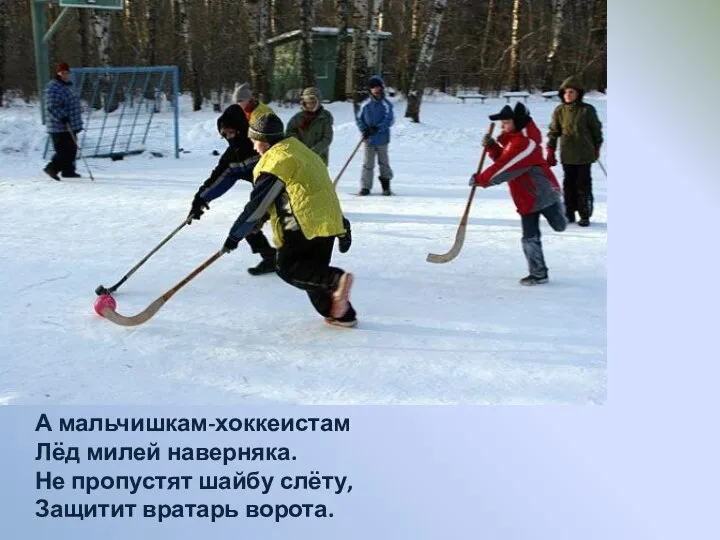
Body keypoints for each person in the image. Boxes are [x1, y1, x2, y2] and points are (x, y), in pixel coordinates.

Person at [221, 113, 357, 327]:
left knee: (287, 267)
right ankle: (341, 314)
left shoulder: (276, 161)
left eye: (256, 142)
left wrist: (234, 236)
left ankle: (335, 279)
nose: (255, 147)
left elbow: (258, 204)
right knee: (312, 276)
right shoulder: (302, 152)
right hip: (327, 224)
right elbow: (305, 191)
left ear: (264, 142)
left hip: (302, 225)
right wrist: (342, 226)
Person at [470, 102, 567, 286]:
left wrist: (481, 179)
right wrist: (492, 147)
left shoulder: (526, 143)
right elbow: (506, 160)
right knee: (529, 237)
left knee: (560, 226)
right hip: (526, 199)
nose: (502, 126)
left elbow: (505, 168)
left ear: (518, 122)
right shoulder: (513, 139)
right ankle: (539, 274)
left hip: (544, 195)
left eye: (506, 122)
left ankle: (562, 207)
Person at [188, 104, 277, 276]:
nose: (228, 137)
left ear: (241, 128)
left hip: (286, 192)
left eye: (231, 132)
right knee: (249, 225)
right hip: (263, 197)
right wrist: (200, 200)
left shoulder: (260, 145)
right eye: (224, 134)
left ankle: (303, 263)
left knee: (290, 228)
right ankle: (270, 258)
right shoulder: (232, 155)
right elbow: (219, 178)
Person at [545, 76, 603, 227]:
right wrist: (550, 149)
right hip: (567, 154)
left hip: (584, 154)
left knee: (582, 184)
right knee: (568, 184)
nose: (568, 95)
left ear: (578, 93)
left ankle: (584, 214)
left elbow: (596, 130)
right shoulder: (560, 111)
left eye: (571, 92)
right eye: (565, 92)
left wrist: (597, 147)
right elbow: (553, 131)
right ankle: (568, 212)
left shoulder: (587, 110)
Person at [43, 62, 83, 180]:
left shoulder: (68, 85)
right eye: (62, 72)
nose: (65, 75)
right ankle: (52, 168)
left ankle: (68, 171)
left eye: (66, 72)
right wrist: (62, 117)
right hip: (59, 125)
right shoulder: (53, 87)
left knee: (72, 148)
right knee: (64, 150)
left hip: (71, 124)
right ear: (58, 73)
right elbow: (52, 106)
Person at [356, 74, 394, 196]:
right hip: (369, 139)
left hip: (382, 139)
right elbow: (359, 119)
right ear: (370, 90)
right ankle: (365, 187)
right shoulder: (365, 104)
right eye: (373, 87)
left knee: (383, 163)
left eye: (378, 87)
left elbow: (389, 120)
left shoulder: (386, 104)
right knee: (368, 163)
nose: (376, 89)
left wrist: (377, 128)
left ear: (382, 88)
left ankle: (386, 186)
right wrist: (364, 130)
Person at [285, 87, 334, 166]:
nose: (310, 105)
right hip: (300, 157)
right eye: (307, 103)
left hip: (318, 158)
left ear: (318, 102)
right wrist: (299, 147)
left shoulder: (325, 118)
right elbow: (290, 132)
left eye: (313, 102)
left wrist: (313, 151)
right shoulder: (298, 117)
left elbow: (327, 138)